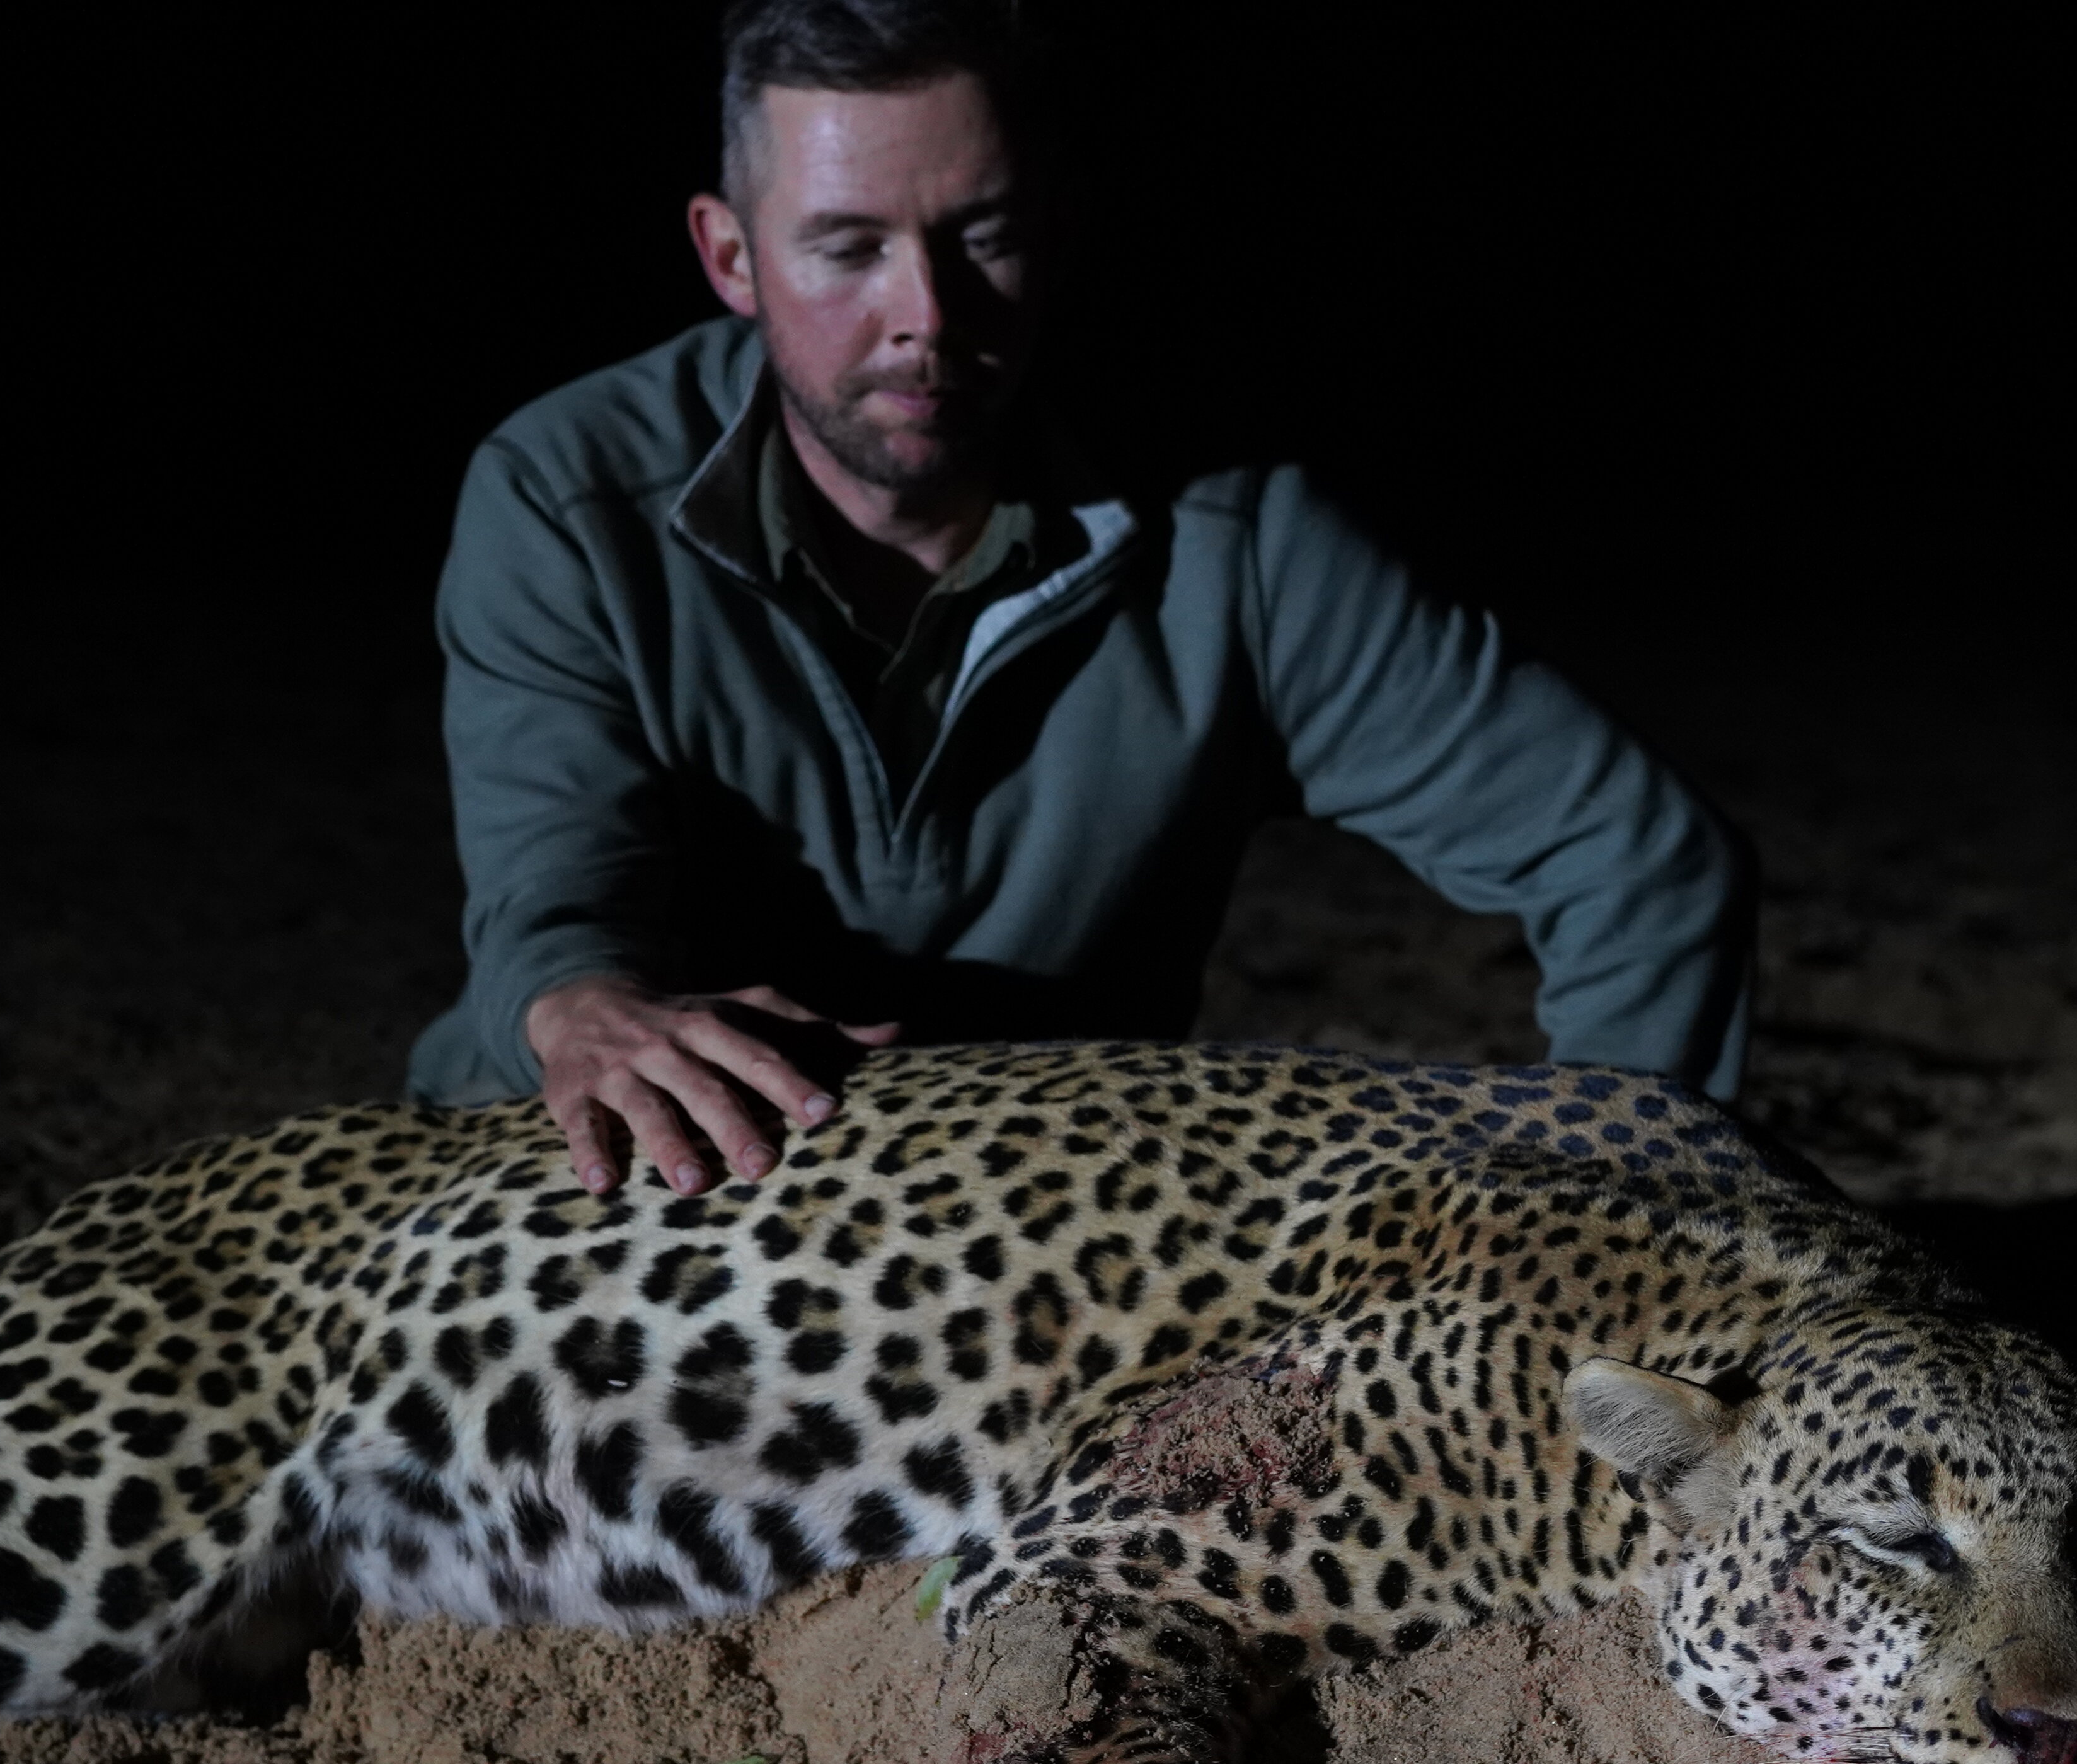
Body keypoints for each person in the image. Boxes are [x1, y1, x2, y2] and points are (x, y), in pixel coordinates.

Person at [411, 0, 1755, 1198]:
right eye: (847, 247)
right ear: (730, 257)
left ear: (1052, 231)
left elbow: (1637, 857)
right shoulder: (565, 496)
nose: (924, 313)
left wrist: (1606, 1224)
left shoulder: (1239, 537)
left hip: (1024, 1234)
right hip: (619, 1190)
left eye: (978, 235)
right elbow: (556, 887)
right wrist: (578, 1002)